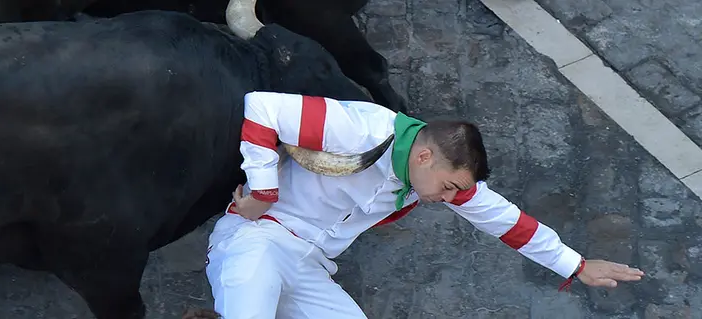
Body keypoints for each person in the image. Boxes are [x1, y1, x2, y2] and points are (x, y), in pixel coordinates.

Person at [203, 91, 645, 318]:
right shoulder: (361, 128)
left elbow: (507, 222)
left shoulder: (435, 177)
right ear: (425, 156)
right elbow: (262, 107)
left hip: (311, 266)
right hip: (258, 239)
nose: (451, 199)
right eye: (450, 187)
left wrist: (576, 265)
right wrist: (262, 194)